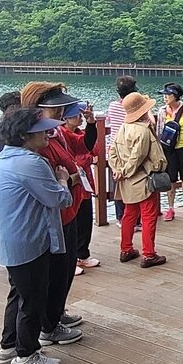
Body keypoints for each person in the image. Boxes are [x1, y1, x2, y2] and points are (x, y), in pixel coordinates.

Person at [0, 109, 77, 364]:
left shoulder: (5, 158)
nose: (48, 133)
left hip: (11, 240)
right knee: (33, 300)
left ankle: (8, 347)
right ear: (25, 135)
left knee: (19, 294)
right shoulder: (31, 163)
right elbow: (59, 199)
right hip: (29, 241)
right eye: (41, 130)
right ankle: (25, 355)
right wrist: (62, 180)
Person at [20, 82, 89, 342]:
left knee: (65, 269)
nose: (60, 112)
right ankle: (49, 326)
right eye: (54, 109)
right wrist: (69, 179)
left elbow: (81, 147)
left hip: (68, 209)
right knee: (55, 273)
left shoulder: (55, 133)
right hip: (55, 215)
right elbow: (47, 180)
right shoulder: (36, 142)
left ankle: (56, 314)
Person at [108, 92, 169, 267]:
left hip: (127, 182)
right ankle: (149, 254)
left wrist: (118, 170)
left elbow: (112, 152)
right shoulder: (143, 131)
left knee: (129, 214)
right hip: (144, 179)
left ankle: (126, 249)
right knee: (148, 216)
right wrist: (126, 170)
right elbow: (142, 157)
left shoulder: (123, 128)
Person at [60, 101, 100, 274]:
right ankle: (72, 259)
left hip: (84, 182)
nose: (80, 118)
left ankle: (83, 253)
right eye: (77, 115)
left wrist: (91, 123)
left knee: (85, 219)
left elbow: (91, 146)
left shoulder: (79, 133)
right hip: (71, 182)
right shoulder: (61, 134)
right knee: (72, 221)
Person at [156, 82, 183, 220]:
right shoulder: (162, 111)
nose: (165, 97)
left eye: (167, 95)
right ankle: (170, 208)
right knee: (171, 179)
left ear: (175, 95)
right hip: (169, 149)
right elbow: (159, 131)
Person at [104, 75, 137, 224]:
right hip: (130, 148)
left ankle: (120, 217)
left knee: (118, 182)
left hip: (114, 149)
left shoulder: (113, 106)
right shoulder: (134, 108)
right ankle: (134, 219)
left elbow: (107, 121)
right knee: (134, 182)